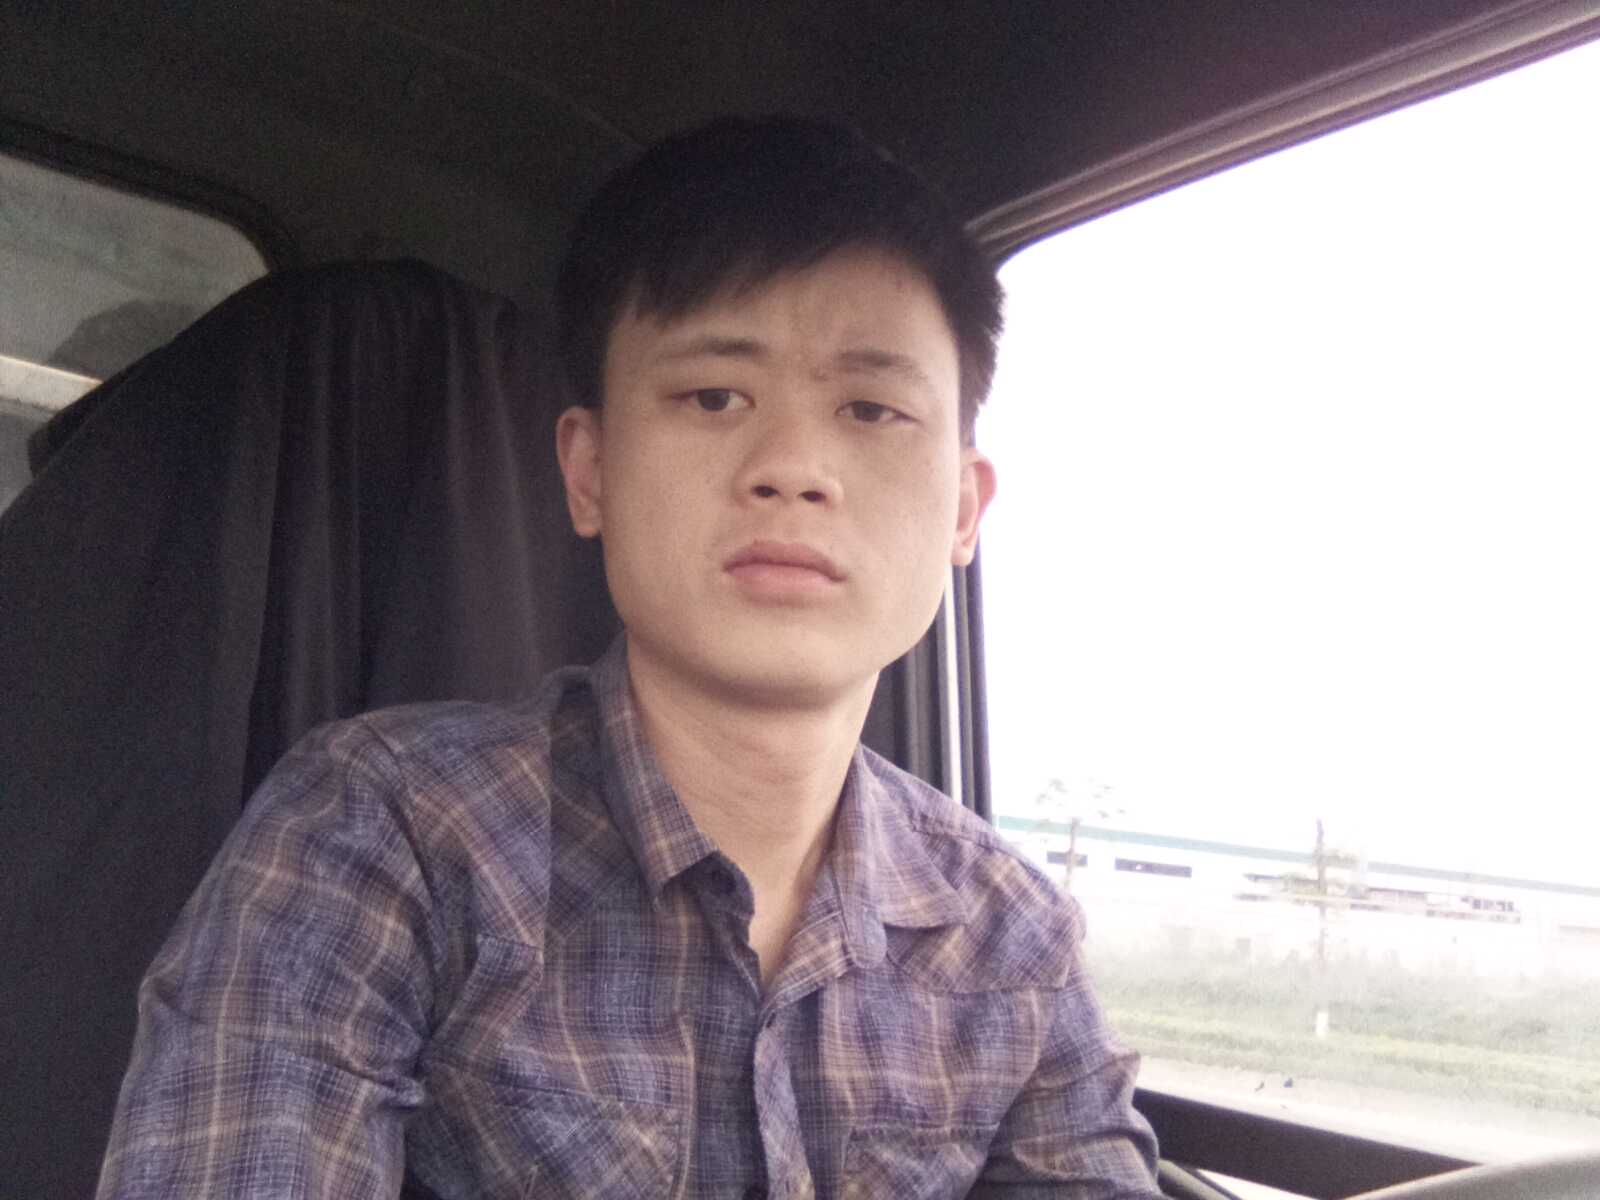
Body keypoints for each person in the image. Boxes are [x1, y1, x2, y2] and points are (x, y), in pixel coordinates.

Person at [95, 116, 1161, 1198]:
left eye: (872, 409)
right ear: (589, 471)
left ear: (964, 510)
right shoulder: (382, 831)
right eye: (714, 396)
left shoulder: (1011, 938)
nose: (793, 467)